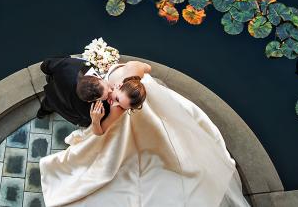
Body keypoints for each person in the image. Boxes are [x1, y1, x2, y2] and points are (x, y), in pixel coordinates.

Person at [40, 62, 250, 207]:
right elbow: (147, 68)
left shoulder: (119, 109)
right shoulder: (130, 72)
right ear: (121, 84)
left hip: (141, 113)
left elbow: (101, 131)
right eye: (115, 97)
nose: (111, 99)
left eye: (117, 102)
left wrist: (98, 119)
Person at [36, 57, 117, 127]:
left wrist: (50, 77)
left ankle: (41, 114)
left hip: (53, 95)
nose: (111, 90)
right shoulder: (91, 109)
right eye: (108, 88)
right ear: (90, 101)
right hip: (67, 109)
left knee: (47, 104)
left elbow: (46, 65)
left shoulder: (71, 66)